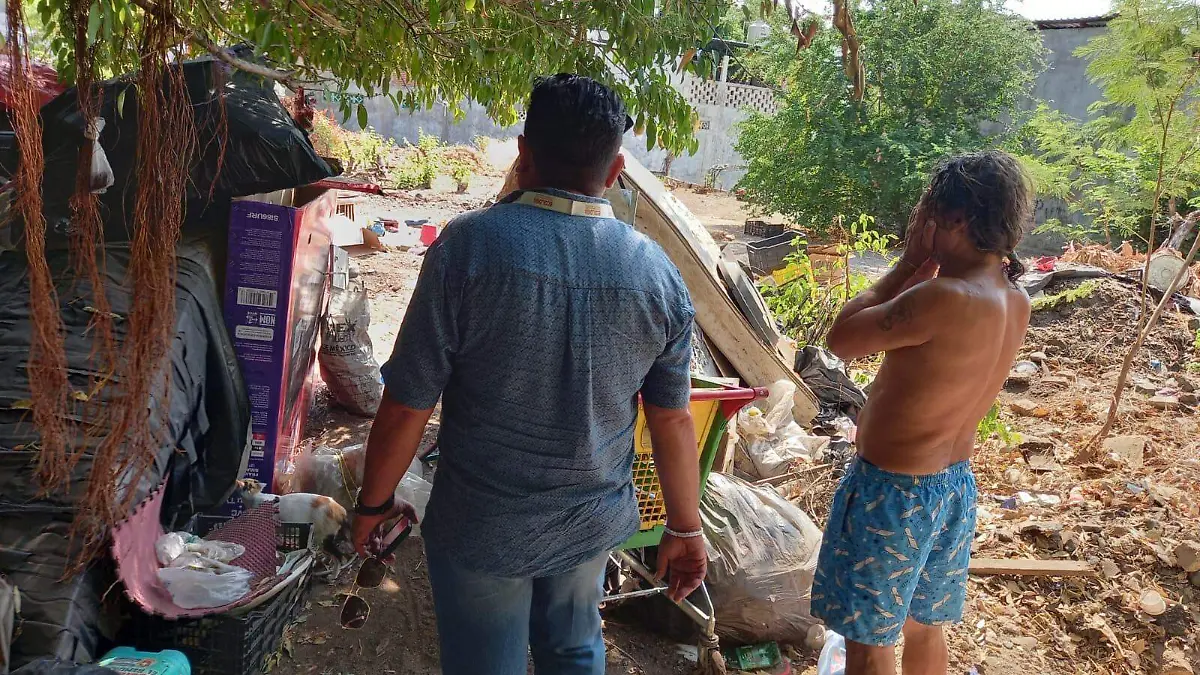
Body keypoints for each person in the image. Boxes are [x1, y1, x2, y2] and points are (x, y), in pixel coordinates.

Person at [349, 74, 706, 675]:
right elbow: (671, 417)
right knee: (574, 650)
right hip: (591, 522)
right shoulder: (657, 274)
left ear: (523, 153)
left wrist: (373, 503)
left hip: (483, 525)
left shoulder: (467, 249)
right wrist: (684, 527)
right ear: (616, 169)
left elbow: (410, 401)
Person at [811, 151, 1034, 675]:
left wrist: (910, 264)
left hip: (893, 494)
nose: (919, 221)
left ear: (953, 220)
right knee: (922, 624)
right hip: (952, 488)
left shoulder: (943, 296)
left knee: (868, 644)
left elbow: (841, 339)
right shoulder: (1013, 299)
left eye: (925, 211)